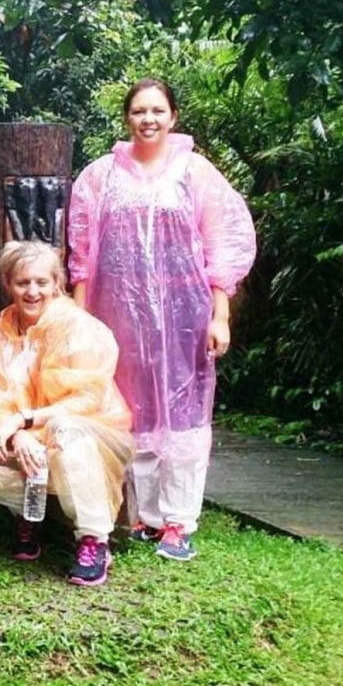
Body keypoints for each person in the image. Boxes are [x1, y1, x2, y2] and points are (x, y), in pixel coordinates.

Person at [68, 78, 256, 562]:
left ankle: (179, 521)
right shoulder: (99, 176)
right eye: (138, 111)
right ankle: (144, 518)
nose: (147, 119)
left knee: (185, 416)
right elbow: (81, 252)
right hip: (117, 317)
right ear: (127, 118)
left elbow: (224, 242)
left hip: (185, 318)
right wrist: (81, 317)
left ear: (173, 117)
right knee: (132, 411)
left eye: (157, 110)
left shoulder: (196, 173)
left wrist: (221, 314)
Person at [0, 241, 135, 587]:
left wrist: (26, 420)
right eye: (22, 282)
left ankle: (93, 540)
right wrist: (17, 434)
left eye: (41, 282)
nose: (32, 292)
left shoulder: (79, 327)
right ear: (8, 284)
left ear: (57, 283)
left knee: (65, 429)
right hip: (29, 435)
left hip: (91, 435)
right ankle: (28, 516)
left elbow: (86, 398)